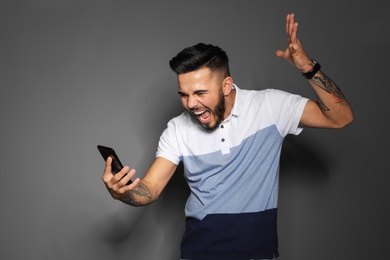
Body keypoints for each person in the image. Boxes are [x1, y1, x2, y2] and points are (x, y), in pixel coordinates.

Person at [102, 13, 353, 260]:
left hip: (258, 253)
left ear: (226, 85)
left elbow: (340, 117)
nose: (191, 103)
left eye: (200, 93)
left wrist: (308, 68)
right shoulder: (178, 129)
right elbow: (151, 189)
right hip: (198, 253)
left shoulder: (270, 107)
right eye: (184, 94)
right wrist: (122, 192)